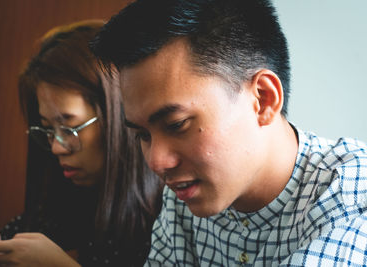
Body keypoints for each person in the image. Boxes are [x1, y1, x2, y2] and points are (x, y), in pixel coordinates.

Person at [90, 0, 367, 266]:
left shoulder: (350, 194)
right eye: (143, 136)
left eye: (177, 124)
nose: (156, 162)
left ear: (263, 99)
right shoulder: (183, 196)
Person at [0, 20, 162, 267]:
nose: (57, 148)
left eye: (69, 127)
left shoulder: (170, 218)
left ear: (116, 118)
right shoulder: (61, 202)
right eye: (48, 129)